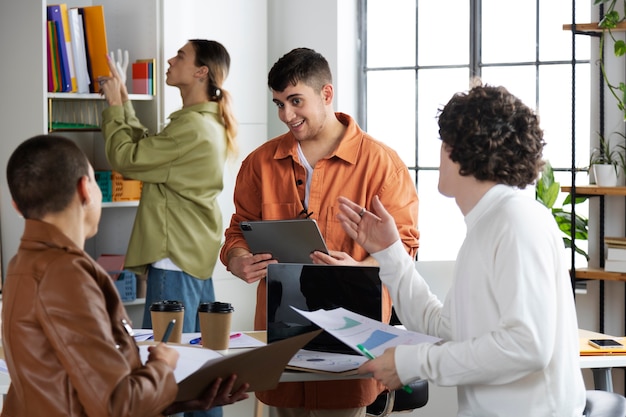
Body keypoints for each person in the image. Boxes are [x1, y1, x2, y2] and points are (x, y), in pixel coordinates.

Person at [336, 83, 586, 416]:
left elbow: (529, 346)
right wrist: (390, 252)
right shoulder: (487, 225)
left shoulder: (517, 221)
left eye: (445, 142)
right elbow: (445, 329)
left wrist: (412, 362)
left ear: (463, 150)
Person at [220, 47, 420, 417]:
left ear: (326, 94)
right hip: (281, 339)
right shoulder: (259, 164)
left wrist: (359, 270)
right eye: (279, 103)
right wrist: (238, 260)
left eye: (296, 101)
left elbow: (404, 249)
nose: (286, 115)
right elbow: (237, 232)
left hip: (351, 341)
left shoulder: (382, 164)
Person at [2, 134, 249, 417]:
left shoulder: (22, 264)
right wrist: (163, 366)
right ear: (85, 189)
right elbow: (116, 405)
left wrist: (179, 400)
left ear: (17, 207)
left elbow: (72, 387)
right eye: (95, 180)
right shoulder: (65, 274)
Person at [98, 40, 236, 334]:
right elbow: (148, 150)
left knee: (166, 358)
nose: (170, 61)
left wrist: (113, 108)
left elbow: (127, 158)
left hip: (173, 258)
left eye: (181, 56)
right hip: (191, 255)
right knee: (194, 356)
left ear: (201, 71)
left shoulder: (191, 128)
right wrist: (123, 101)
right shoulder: (206, 123)